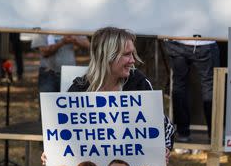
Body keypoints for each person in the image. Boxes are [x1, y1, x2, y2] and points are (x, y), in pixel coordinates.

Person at [68, 27, 175, 156]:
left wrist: (165, 148)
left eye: (132, 54)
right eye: (126, 54)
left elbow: (165, 126)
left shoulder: (138, 83)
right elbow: (63, 135)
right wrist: (53, 155)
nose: (133, 60)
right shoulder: (79, 89)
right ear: (107, 56)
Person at [163, 39, 217, 141]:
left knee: (179, 86)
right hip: (205, 42)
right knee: (209, 86)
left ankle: (182, 134)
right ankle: (215, 135)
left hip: (177, 41)